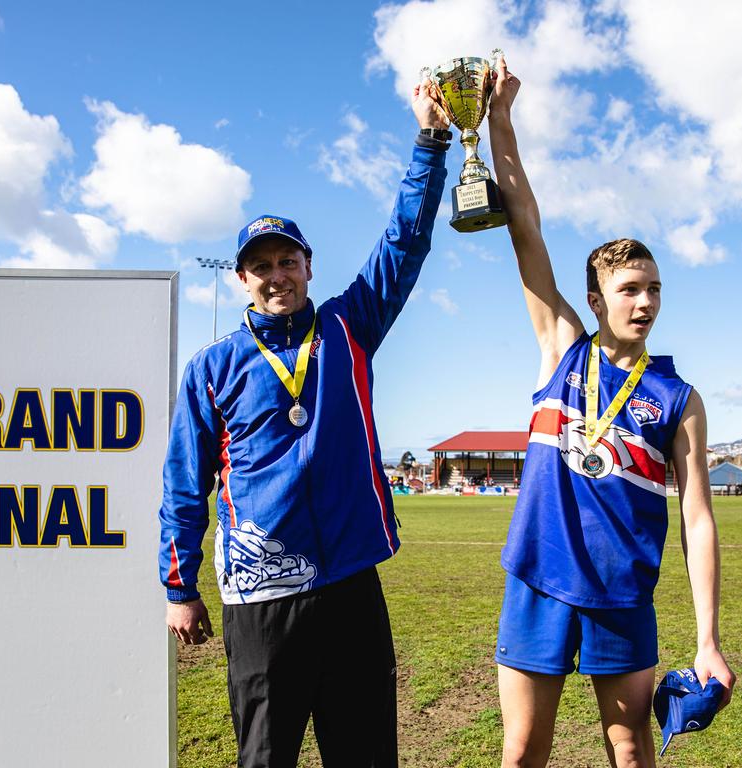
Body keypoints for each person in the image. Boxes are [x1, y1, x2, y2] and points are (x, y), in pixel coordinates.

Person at [158, 80, 450, 768]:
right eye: (260, 267)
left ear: (308, 267)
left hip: (350, 583)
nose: (276, 275)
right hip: (259, 597)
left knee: (367, 755)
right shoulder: (212, 367)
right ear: (241, 280)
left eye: (287, 261)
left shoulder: (348, 327)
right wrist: (179, 586)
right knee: (265, 757)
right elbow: (182, 482)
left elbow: (404, 244)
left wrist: (431, 142)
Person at [487, 56, 736, 768]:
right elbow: (526, 231)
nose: (646, 301)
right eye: (629, 288)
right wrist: (501, 120)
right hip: (537, 581)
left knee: (630, 751)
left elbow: (697, 518)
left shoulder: (678, 399)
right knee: (523, 748)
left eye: (655, 288)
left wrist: (709, 636)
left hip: (623, 594)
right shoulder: (561, 347)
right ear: (596, 300)